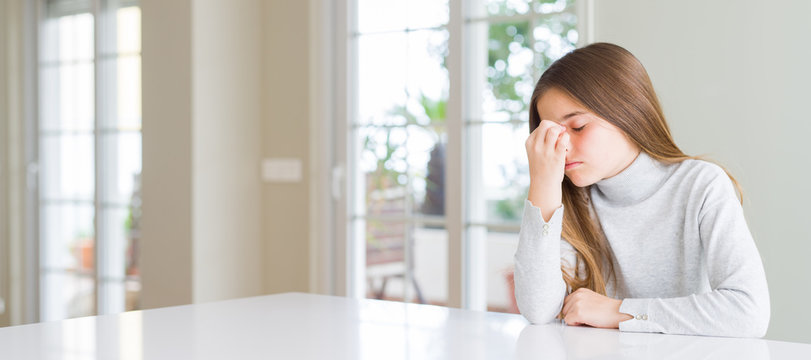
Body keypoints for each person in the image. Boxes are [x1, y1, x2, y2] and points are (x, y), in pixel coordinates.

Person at [514, 42, 770, 337]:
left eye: (578, 127)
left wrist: (618, 311)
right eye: (552, 134)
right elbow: (538, 310)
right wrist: (543, 183)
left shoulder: (701, 185)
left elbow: (749, 313)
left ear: (628, 114)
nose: (563, 146)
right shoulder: (567, 199)